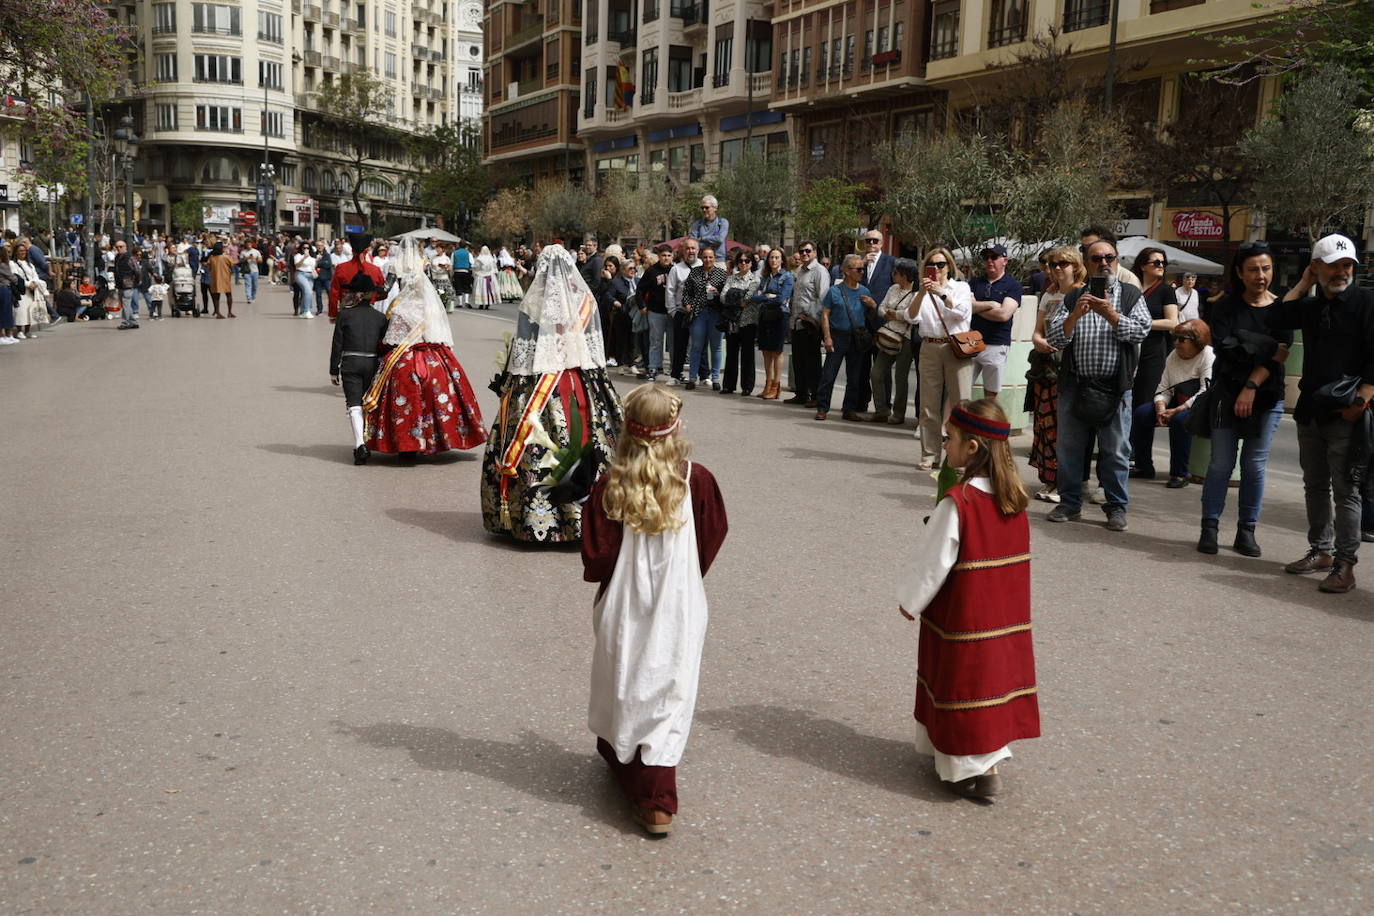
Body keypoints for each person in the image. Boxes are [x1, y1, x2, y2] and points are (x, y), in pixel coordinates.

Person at [582, 384, 728, 835]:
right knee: (668, 687)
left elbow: (596, 555)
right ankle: (645, 781)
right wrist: (682, 576)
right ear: (676, 427)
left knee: (625, 678)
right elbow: (713, 535)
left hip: (624, 604)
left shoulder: (611, 483)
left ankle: (654, 796)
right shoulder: (695, 479)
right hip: (679, 604)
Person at [896, 398, 1038, 800]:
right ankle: (990, 763)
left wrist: (910, 599)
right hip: (1002, 619)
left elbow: (932, 561)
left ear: (971, 448)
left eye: (950, 439)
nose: (945, 447)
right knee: (991, 685)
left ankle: (965, 769)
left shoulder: (960, 503)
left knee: (961, 685)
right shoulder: (1015, 502)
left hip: (962, 618)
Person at [481, 243, 626, 543]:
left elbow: (523, 354)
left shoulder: (532, 302)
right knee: (590, 436)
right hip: (580, 382)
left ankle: (537, 518)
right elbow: (594, 350)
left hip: (539, 384)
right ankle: (589, 515)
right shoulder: (584, 299)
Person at [1268, 233, 1374, 594]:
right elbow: (1276, 315)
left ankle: (1346, 564)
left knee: (1346, 491)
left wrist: (1360, 402)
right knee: (1314, 485)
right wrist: (1304, 282)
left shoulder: (1366, 302)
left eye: (1347, 265)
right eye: (1333, 265)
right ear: (1317, 267)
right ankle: (1321, 551)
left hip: (1346, 412)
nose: (1342, 271)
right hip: (1311, 410)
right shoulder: (1311, 306)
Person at [1045, 237, 1152, 531]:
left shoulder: (1131, 295)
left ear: (1116, 261)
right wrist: (1074, 316)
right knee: (1069, 449)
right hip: (1075, 387)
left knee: (1116, 451)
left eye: (1110, 258)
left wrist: (1111, 314)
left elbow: (1142, 331)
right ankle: (1069, 503)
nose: (1104, 263)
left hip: (1115, 389)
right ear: (1087, 264)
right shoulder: (1073, 298)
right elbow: (1054, 338)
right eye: (1097, 259)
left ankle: (1116, 507)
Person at [1194, 242, 1291, 557]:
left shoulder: (1281, 309)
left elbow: (1281, 354)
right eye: (1253, 269)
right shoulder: (1224, 307)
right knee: (1220, 464)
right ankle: (1209, 527)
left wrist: (1252, 381)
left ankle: (1246, 531)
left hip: (1266, 397)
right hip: (1225, 393)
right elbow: (1228, 348)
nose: (1261, 276)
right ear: (1239, 272)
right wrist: (1265, 348)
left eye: (1266, 268)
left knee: (1254, 466)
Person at [361, 240, 487, 457]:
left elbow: (394, 338)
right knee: (439, 395)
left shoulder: (400, 306)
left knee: (404, 396)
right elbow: (436, 332)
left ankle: (406, 443)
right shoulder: (430, 306)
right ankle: (439, 437)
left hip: (406, 356)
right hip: (434, 356)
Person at [1025, 247, 1082, 502]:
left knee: (1064, 429)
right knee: (1044, 425)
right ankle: (1049, 481)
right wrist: (1038, 341)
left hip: (1070, 368)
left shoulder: (1082, 293)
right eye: (1053, 264)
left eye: (1064, 263)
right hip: (1045, 367)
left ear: (1075, 266)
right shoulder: (1049, 294)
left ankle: (1064, 483)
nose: (1058, 268)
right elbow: (1037, 331)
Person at [910, 247, 974, 469]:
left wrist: (941, 293)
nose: (936, 269)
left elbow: (962, 312)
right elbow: (911, 316)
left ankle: (961, 455)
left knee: (961, 404)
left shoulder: (961, 288)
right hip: (929, 346)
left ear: (949, 266)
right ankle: (930, 454)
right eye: (932, 265)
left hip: (956, 347)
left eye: (941, 265)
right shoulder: (922, 290)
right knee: (928, 403)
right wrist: (921, 293)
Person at [1133, 319, 1214, 489]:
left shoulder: (1207, 355)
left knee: (1180, 421)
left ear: (1196, 340)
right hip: (1176, 402)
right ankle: (1143, 466)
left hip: (1198, 406)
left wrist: (1179, 409)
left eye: (1182, 339)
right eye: (1175, 338)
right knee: (1141, 413)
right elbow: (1164, 387)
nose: (1176, 342)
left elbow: (1205, 391)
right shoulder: (1173, 355)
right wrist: (1160, 408)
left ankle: (1180, 473)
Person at [330, 272, 391, 464]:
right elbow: (384, 344)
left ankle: (360, 444)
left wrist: (333, 368)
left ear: (356, 294)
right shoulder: (380, 318)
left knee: (353, 404)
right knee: (368, 403)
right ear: (371, 295)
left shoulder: (345, 315)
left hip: (350, 362)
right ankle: (366, 441)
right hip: (372, 362)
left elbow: (337, 344)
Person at [814, 254, 876, 421]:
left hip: (856, 338)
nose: (862, 272)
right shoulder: (834, 291)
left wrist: (873, 306)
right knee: (829, 374)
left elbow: (871, 316)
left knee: (855, 377)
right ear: (847, 271)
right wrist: (827, 337)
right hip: (837, 336)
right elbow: (825, 315)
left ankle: (849, 409)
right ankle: (822, 407)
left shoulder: (865, 292)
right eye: (858, 269)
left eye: (863, 269)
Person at [1127, 247, 1180, 433]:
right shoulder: (1129, 288)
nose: (1161, 266)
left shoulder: (1166, 290)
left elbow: (1172, 323)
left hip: (1153, 351)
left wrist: (1141, 324)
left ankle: (1137, 451)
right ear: (1142, 266)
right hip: (1128, 348)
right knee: (1125, 398)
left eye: (1163, 263)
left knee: (1144, 401)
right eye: (1156, 262)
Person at [968, 244, 1024, 400]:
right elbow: (966, 307)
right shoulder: (974, 282)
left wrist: (977, 307)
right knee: (960, 387)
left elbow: (1003, 315)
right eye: (986, 257)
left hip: (996, 343)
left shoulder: (1013, 286)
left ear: (1005, 260)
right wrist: (991, 305)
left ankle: (988, 423)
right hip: (971, 340)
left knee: (991, 394)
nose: (989, 261)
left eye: (994, 257)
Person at [868, 258, 919, 424]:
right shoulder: (893, 288)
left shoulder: (916, 293)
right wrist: (893, 313)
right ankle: (881, 410)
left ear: (904, 275)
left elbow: (911, 316)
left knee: (900, 377)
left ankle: (898, 413)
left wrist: (895, 314)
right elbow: (881, 308)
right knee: (876, 373)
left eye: (895, 272)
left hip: (906, 338)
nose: (892, 275)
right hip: (889, 335)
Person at [786, 241, 831, 407]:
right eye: (801, 251)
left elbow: (823, 297)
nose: (804, 254)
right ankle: (801, 393)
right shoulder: (801, 271)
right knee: (798, 361)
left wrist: (814, 319)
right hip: (797, 322)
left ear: (814, 253)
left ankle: (816, 396)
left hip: (810, 323)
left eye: (807, 251)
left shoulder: (820, 271)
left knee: (812, 362)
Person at [683, 246, 728, 391]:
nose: (708, 259)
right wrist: (687, 304)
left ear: (715, 258)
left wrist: (719, 291)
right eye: (705, 257)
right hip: (699, 313)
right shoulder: (695, 272)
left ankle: (715, 378)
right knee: (696, 346)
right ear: (701, 258)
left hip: (716, 313)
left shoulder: (721, 274)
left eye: (711, 257)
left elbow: (727, 294)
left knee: (716, 347)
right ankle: (692, 378)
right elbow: (686, 291)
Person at [752, 247, 794, 401]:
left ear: (782, 259)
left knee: (777, 351)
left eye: (777, 257)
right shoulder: (766, 277)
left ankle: (776, 386)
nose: (774, 260)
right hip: (764, 315)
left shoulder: (787, 276)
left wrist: (765, 296)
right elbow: (754, 296)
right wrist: (767, 296)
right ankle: (767, 385)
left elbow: (782, 298)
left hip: (779, 315)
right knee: (765, 351)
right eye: (771, 258)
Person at [720, 250, 760, 396]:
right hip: (732, 321)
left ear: (751, 263)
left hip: (748, 321)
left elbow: (747, 299)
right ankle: (728, 385)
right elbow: (723, 297)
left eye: (747, 261)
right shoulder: (731, 278)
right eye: (741, 261)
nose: (743, 263)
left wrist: (734, 296)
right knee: (731, 354)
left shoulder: (755, 280)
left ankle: (747, 386)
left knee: (747, 355)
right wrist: (738, 297)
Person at [664, 239, 702, 386]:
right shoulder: (676, 269)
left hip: (700, 313)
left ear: (698, 250)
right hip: (681, 312)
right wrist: (673, 311)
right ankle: (675, 375)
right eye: (687, 248)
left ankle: (703, 375)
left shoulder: (703, 266)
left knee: (699, 346)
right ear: (682, 251)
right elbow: (670, 291)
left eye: (693, 248)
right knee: (679, 345)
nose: (690, 251)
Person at [328, 233, 386, 322]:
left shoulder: (341, 268)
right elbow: (381, 293)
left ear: (352, 251)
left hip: (346, 313)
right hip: (368, 312)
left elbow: (334, 293)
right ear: (367, 250)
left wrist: (333, 314)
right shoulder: (375, 270)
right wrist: (371, 299)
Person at [640, 244, 674, 382]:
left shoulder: (675, 270)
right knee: (655, 340)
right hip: (655, 310)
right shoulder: (651, 271)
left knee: (673, 342)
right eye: (663, 255)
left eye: (668, 255)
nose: (666, 258)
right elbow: (640, 289)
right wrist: (642, 305)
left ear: (672, 257)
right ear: (659, 256)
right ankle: (653, 367)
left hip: (672, 311)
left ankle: (674, 369)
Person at [10, 240, 48, 338]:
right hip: (21, 290)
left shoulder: (30, 264)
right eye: (20, 251)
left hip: (32, 290)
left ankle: (27, 331)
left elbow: (35, 275)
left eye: (24, 251)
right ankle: (19, 331)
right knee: (21, 311)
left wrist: (35, 282)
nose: (23, 253)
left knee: (30, 310)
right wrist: (28, 284)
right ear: (16, 252)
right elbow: (16, 277)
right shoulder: (12, 264)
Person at [206, 242, 235, 318]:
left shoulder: (212, 258)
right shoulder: (226, 257)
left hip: (215, 279)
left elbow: (209, 267)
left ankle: (217, 312)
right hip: (225, 278)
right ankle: (229, 312)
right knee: (228, 295)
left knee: (216, 296)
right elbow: (232, 266)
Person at [293, 242, 318, 318]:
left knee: (307, 293)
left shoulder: (312, 257)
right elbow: (297, 265)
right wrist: (304, 258)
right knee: (308, 291)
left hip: (310, 275)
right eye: (304, 248)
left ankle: (303, 311)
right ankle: (307, 310)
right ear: (301, 248)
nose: (306, 249)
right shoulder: (298, 256)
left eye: (307, 248)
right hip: (301, 274)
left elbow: (313, 266)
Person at [429, 243, 455, 312]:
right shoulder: (433, 257)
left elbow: (450, 268)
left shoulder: (446, 258)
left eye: (439, 248)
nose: (438, 249)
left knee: (446, 293)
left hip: (444, 277)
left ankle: (445, 306)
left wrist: (446, 267)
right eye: (437, 248)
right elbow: (430, 266)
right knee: (438, 294)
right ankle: (439, 307)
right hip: (436, 277)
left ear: (443, 249)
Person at [472, 245, 499, 309]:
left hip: (481, 276)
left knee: (481, 290)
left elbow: (476, 267)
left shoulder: (479, 259)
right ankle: (488, 303)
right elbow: (494, 268)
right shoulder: (491, 259)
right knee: (489, 290)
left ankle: (481, 303)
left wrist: (475, 272)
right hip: (490, 276)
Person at [452, 242, 474, 308]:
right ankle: (466, 301)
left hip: (457, 271)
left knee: (458, 287)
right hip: (466, 271)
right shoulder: (468, 253)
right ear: (465, 246)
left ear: (459, 245)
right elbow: (472, 263)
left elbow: (452, 263)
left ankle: (460, 303)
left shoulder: (454, 253)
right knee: (466, 286)